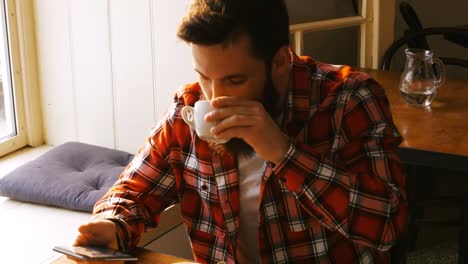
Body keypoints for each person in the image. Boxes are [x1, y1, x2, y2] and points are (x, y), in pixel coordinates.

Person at [73, 0, 407, 263]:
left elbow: (386, 226)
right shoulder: (189, 110)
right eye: (205, 76)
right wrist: (113, 224)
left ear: (280, 61)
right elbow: (132, 192)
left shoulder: (349, 100)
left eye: (234, 80)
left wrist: (282, 152)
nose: (215, 98)